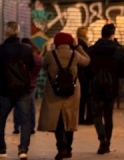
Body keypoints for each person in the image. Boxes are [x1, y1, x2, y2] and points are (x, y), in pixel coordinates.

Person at [37, 32, 90, 160]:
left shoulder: (50, 55)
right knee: (69, 118)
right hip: (72, 91)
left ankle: (62, 147)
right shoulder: (75, 55)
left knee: (58, 119)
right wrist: (78, 47)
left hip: (54, 91)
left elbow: (43, 66)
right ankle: (68, 148)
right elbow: (87, 61)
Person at [0, 22, 35, 159]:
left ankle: (1, 148)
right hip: (23, 90)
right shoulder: (27, 49)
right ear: (19, 33)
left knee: (0, 120)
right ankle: (23, 150)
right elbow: (31, 66)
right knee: (25, 121)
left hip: (5, 90)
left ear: (6, 33)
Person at [86, 23, 124, 154]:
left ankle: (102, 138)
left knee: (97, 115)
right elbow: (121, 71)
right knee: (109, 115)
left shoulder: (91, 50)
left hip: (95, 86)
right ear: (112, 35)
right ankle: (107, 142)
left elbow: (87, 68)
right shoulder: (118, 50)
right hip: (111, 86)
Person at [75, 26, 92, 125]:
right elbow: (86, 59)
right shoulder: (82, 45)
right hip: (84, 74)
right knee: (84, 97)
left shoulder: (78, 44)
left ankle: (80, 117)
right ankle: (83, 118)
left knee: (81, 97)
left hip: (80, 74)